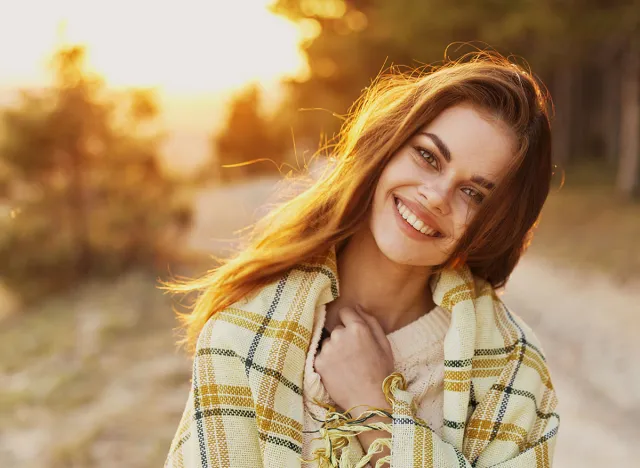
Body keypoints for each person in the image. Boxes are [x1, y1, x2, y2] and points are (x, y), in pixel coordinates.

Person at [165, 52, 559, 468]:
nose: (436, 196)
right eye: (428, 157)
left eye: (473, 194)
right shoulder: (240, 332)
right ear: (387, 145)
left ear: (494, 225)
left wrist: (376, 409)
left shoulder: (515, 371)